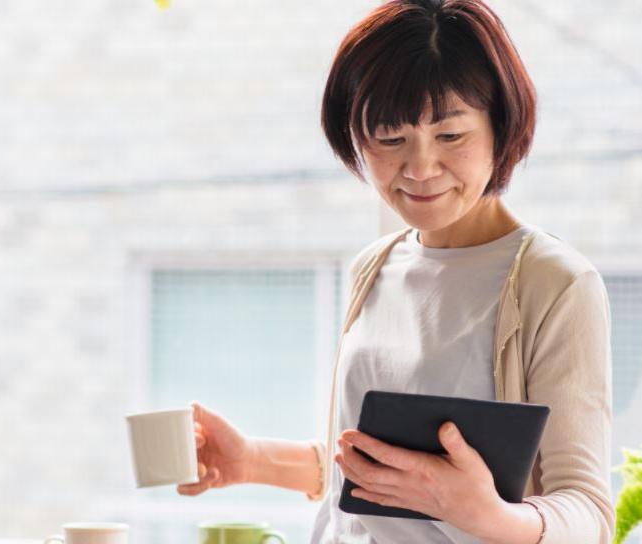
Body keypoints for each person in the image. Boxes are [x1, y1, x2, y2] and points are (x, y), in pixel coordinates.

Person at [176, 1, 614, 542]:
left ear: (501, 127)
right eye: (389, 139)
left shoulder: (554, 282)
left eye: (450, 136)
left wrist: (485, 514)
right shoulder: (373, 266)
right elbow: (380, 472)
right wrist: (252, 460)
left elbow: (589, 512)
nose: (420, 168)